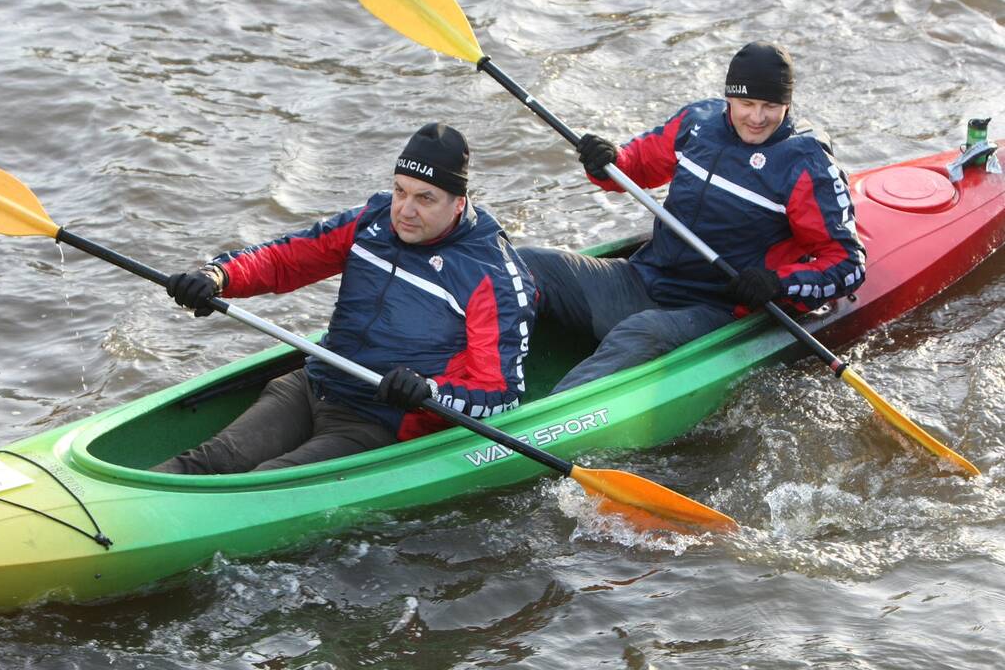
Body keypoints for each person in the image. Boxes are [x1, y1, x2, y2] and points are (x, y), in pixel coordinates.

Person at [155, 123, 536, 473]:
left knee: (266, 481)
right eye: (400, 191)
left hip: (379, 420)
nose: (404, 210)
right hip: (314, 384)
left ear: (459, 202)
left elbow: (500, 393)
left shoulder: (493, 275)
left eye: (425, 199)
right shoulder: (371, 220)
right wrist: (217, 276)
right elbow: (285, 259)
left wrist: (430, 392)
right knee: (209, 460)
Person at [520, 41, 866, 392]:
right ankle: (480, 383)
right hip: (643, 279)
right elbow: (634, 166)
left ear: (787, 103)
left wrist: (778, 283)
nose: (757, 117)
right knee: (524, 263)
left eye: (771, 106)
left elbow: (848, 263)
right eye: (747, 103)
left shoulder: (806, 165)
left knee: (640, 333)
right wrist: (606, 161)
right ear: (729, 97)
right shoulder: (698, 123)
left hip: (718, 308)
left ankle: (528, 433)